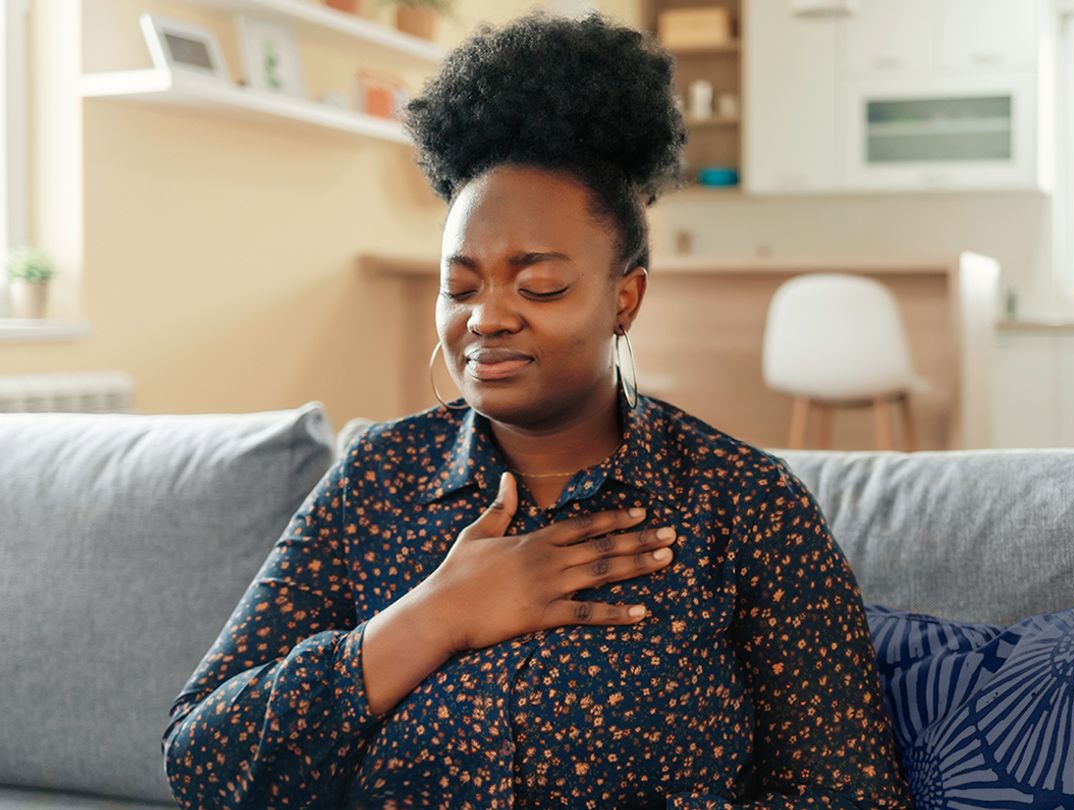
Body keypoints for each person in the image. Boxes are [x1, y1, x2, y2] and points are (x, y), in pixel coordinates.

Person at [162, 9, 913, 809]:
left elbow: (849, 790)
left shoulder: (744, 506)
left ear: (626, 297)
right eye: (461, 287)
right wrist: (434, 616)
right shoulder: (377, 480)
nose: (485, 316)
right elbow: (202, 762)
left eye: (540, 283)